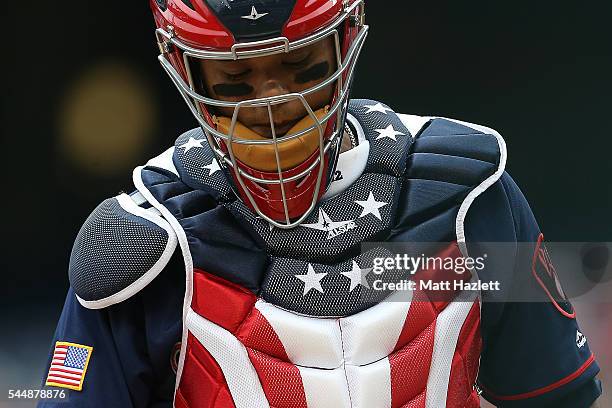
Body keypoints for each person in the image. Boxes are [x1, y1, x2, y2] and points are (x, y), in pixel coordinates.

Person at [39, 0, 602, 407]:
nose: (271, 103)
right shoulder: (137, 243)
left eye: (300, 66)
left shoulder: (470, 192)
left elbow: (556, 394)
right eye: (234, 79)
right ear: (185, 68)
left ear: (346, 38)